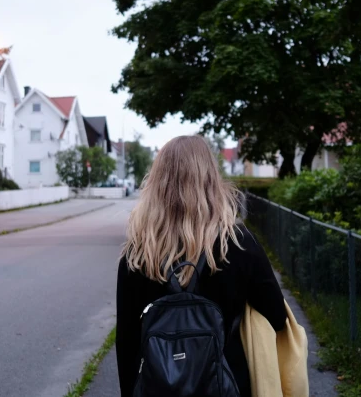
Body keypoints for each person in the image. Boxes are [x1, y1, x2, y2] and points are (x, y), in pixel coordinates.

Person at [116, 135, 287, 396]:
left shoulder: (137, 254)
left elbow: (127, 342)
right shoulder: (239, 244)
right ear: (211, 179)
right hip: (226, 382)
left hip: (158, 385)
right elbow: (277, 316)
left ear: (156, 182)